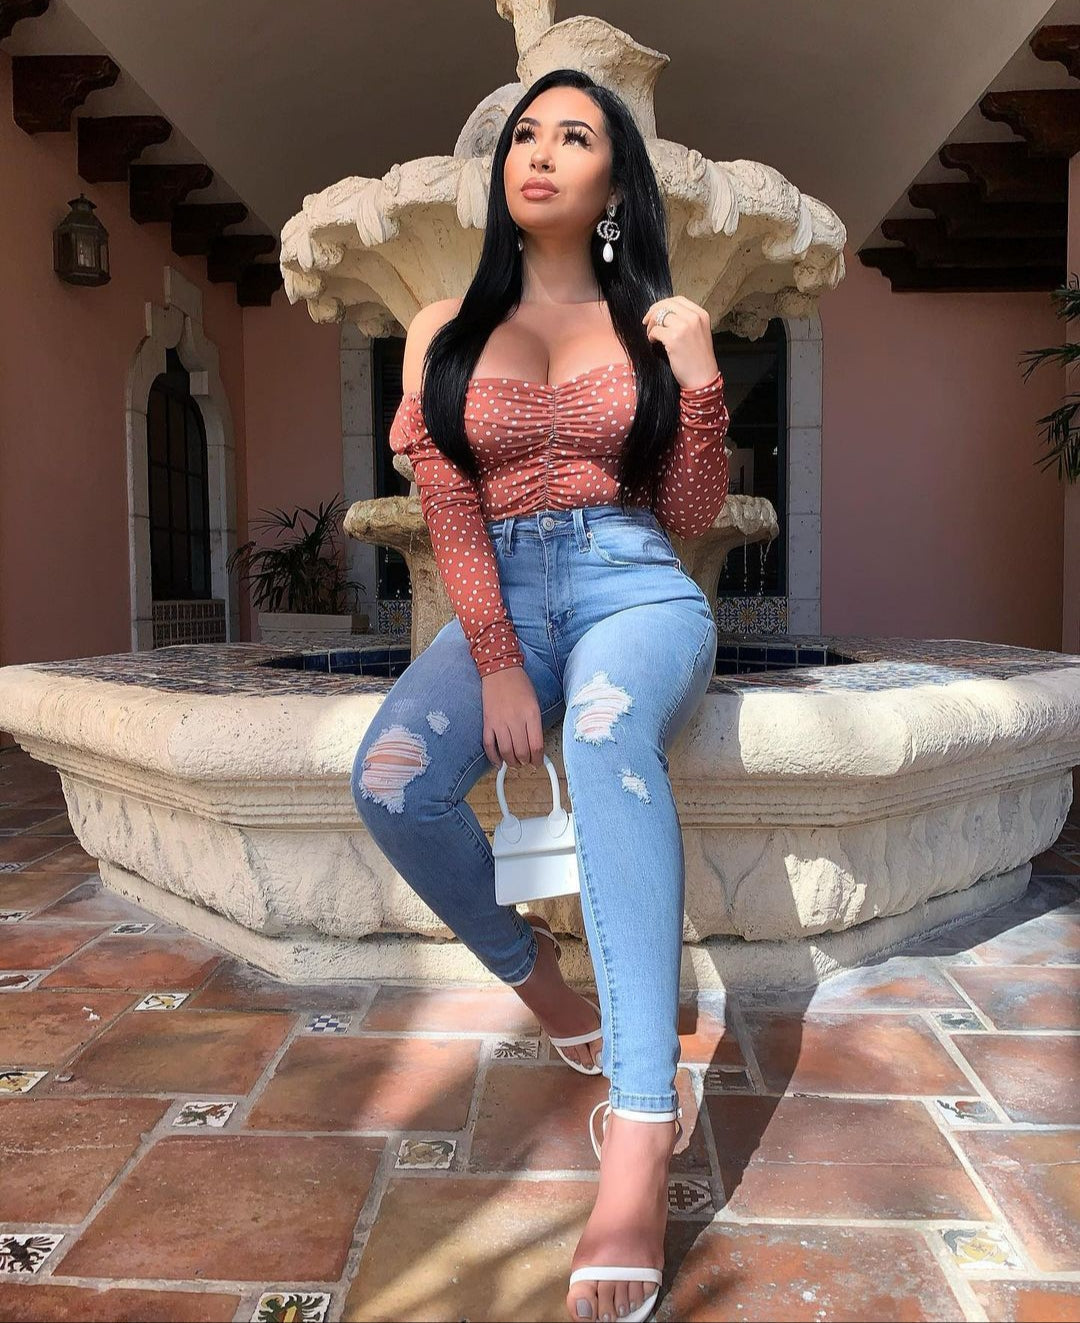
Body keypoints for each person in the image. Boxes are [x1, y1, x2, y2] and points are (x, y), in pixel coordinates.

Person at [350, 66, 730, 1323]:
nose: (542, 152)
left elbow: (688, 514)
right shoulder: (444, 327)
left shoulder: (654, 323)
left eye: (575, 136)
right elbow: (448, 507)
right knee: (392, 782)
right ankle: (548, 992)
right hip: (502, 589)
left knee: (610, 737)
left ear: (616, 183)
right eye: (526, 134)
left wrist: (701, 378)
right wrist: (499, 657)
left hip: (634, 586)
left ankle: (640, 1126)